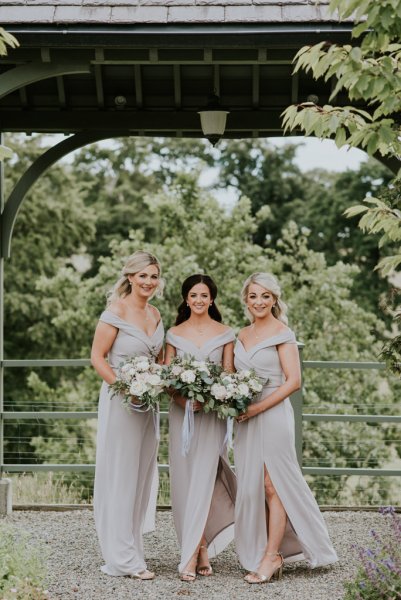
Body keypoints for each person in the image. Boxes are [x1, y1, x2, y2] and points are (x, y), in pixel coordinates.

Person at [234, 272, 338, 584]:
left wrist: (256, 408)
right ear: (246, 300)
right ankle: (269, 547)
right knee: (253, 483)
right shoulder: (240, 334)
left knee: (273, 483)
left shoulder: (283, 333)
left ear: (275, 300)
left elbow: (293, 381)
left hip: (272, 414)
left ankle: (273, 556)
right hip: (244, 418)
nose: (259, 302)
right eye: (253, 296)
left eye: (266, 296)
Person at [91, 250, 164, 580]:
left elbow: (159, 359)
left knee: (141, 476)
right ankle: (123, 560)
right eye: (143, 275)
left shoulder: (156, 314)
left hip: (149, 406)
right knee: (121, 474)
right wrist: (126, 388)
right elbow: (97, 357)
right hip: (122, 402)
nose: (148, 281)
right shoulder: (115, 311)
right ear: (130, 277)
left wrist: (156, 381)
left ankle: (132, 549)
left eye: (153, 276)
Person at [164, 274, 237, 582]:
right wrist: (182, 400)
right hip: (182, 418)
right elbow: (167, 378)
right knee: (183, 481)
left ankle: (193, 553)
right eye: (193, 295)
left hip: (211, 417)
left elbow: (230, 374)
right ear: (186, 299)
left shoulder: (225, 334)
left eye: (204, 295)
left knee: (206, 480)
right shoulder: (173, 334)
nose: (198, 300)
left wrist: (212, 395)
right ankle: (199, 546)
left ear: (212, 299)